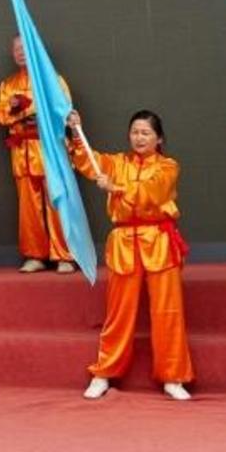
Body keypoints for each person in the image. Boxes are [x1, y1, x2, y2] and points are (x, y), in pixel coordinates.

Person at [64, 110, 192, 401]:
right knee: (118, 314)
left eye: (146, 133)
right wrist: (76, 132)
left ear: (159, 139)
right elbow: (89, 162)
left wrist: (116, 188)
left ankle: (173, 376)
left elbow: (153, 191)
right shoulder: (117, 163)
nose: (139, 137)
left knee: (168, 312)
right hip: (124, 243)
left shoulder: (168, 166)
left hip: (158, 242)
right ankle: (104, 373)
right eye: (135, 132)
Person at [0, 34, 76, 272]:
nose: (21, 52)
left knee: (57, 200)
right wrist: (12, 108)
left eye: (25, 47)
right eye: (17, 49)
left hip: (48, 148)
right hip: (22, 151)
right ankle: (35, 255)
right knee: (28, 207)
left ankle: (64, 255)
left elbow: (64, 111)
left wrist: (29, 109)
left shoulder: (52, 80)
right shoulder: (8, 84)